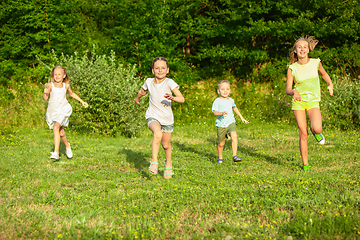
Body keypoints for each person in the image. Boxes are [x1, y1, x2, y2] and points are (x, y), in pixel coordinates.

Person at [286, 36, 333, 172]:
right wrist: (293, 92)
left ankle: (316, 133)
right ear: (295, 50)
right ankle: (305, 165)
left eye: (304, 47)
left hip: (313, 101)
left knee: (317, 128)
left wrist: (330, 84)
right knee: (303, 133)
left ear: (308, 49)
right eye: (299, 47)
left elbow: (323, 74)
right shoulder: (292, 68)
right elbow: (288, 89)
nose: (302, 49)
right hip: (299, 102)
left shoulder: (315, 62)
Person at [135, 57, 185, 179]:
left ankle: (168, 163)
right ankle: (154, 162)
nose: (160, 70)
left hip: (167, 119)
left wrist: (173, 98)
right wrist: (137, 98)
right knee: (157, 134)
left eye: (163, 68)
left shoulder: (169, 82)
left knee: (166, 145)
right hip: (152, 115)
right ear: (153, 70)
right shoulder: (148, 82)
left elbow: (182, 98)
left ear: (167, 70)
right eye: (157, 68)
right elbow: (142, 91)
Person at [43, 66, 88, 160]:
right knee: (61, 132)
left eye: (59, 74)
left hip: (63, 109)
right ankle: (67, 146)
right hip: (53, 110)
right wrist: (45, 93)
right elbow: (45, 99)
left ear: (64, 76)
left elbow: (71, 94)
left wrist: (82, 101)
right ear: (53, 75)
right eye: (55, 74)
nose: (57, 76)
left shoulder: (66, 85)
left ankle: (56, 152)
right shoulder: (50, 85)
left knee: (56, 128)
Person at [212, 80, 249, 164]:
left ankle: (234, 156)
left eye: (227, 89)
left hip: (230, 122)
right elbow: (215, 112)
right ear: (218, 91)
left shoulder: (231, 100)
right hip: (221, 124)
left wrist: (242, 117)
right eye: (222, 89)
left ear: (230, 90)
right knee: (221, 144)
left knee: (234, 136)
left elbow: (234, 108)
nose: (225, 91)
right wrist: (221, 113)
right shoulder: (217, 101)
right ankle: (220, 158)